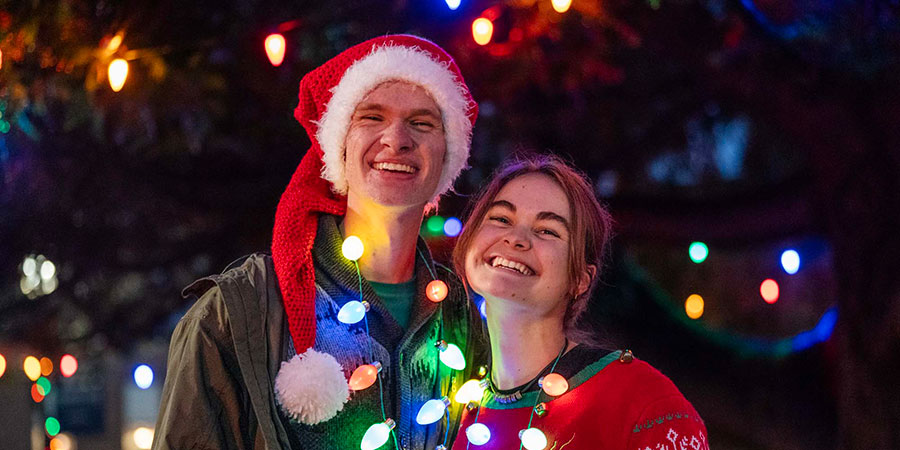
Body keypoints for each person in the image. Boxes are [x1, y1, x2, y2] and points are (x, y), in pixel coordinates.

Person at [153, 35, 486, 450]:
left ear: (447, 156)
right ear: (339, 147)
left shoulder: (458, 316)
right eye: (372, 117)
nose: (396, 139)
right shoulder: (241, 312)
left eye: (422, 122)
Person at [450, 154, 709, 450]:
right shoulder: (455, 414)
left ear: (580, 279)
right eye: (501, 219)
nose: (516, 238)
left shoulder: (642, 402)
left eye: (547, 230)